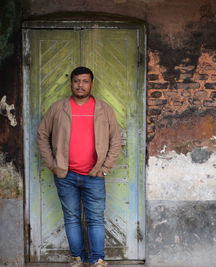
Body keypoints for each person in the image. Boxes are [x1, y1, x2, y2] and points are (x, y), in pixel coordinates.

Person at [37, 66, 121, 267]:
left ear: (91, 83)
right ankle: (77, 259)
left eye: (85, 81)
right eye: (76, 81)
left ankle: (97, 260)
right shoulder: (59, 108)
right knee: (72, 218)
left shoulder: (104, 109)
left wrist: (105, 167)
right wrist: (52, 165)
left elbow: (115, 140)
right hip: (66, 175)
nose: (80, 85)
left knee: (95, 219)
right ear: (71, 83)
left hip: (94, 175)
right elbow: (42, 135)